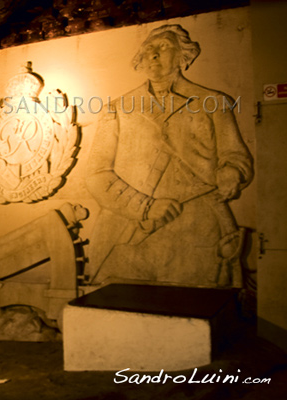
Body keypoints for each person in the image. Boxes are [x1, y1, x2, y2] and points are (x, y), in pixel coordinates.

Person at [85, 24, 253, 288]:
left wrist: (232, 171)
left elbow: (236, 155)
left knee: (197, 306)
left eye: (163, 47)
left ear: (183, 56)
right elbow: (96, 175)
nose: (153, 55)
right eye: (148, 49)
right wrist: (145, 207)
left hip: (197, 225)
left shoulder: (213, 102)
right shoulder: (117, 109)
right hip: (131, 228)